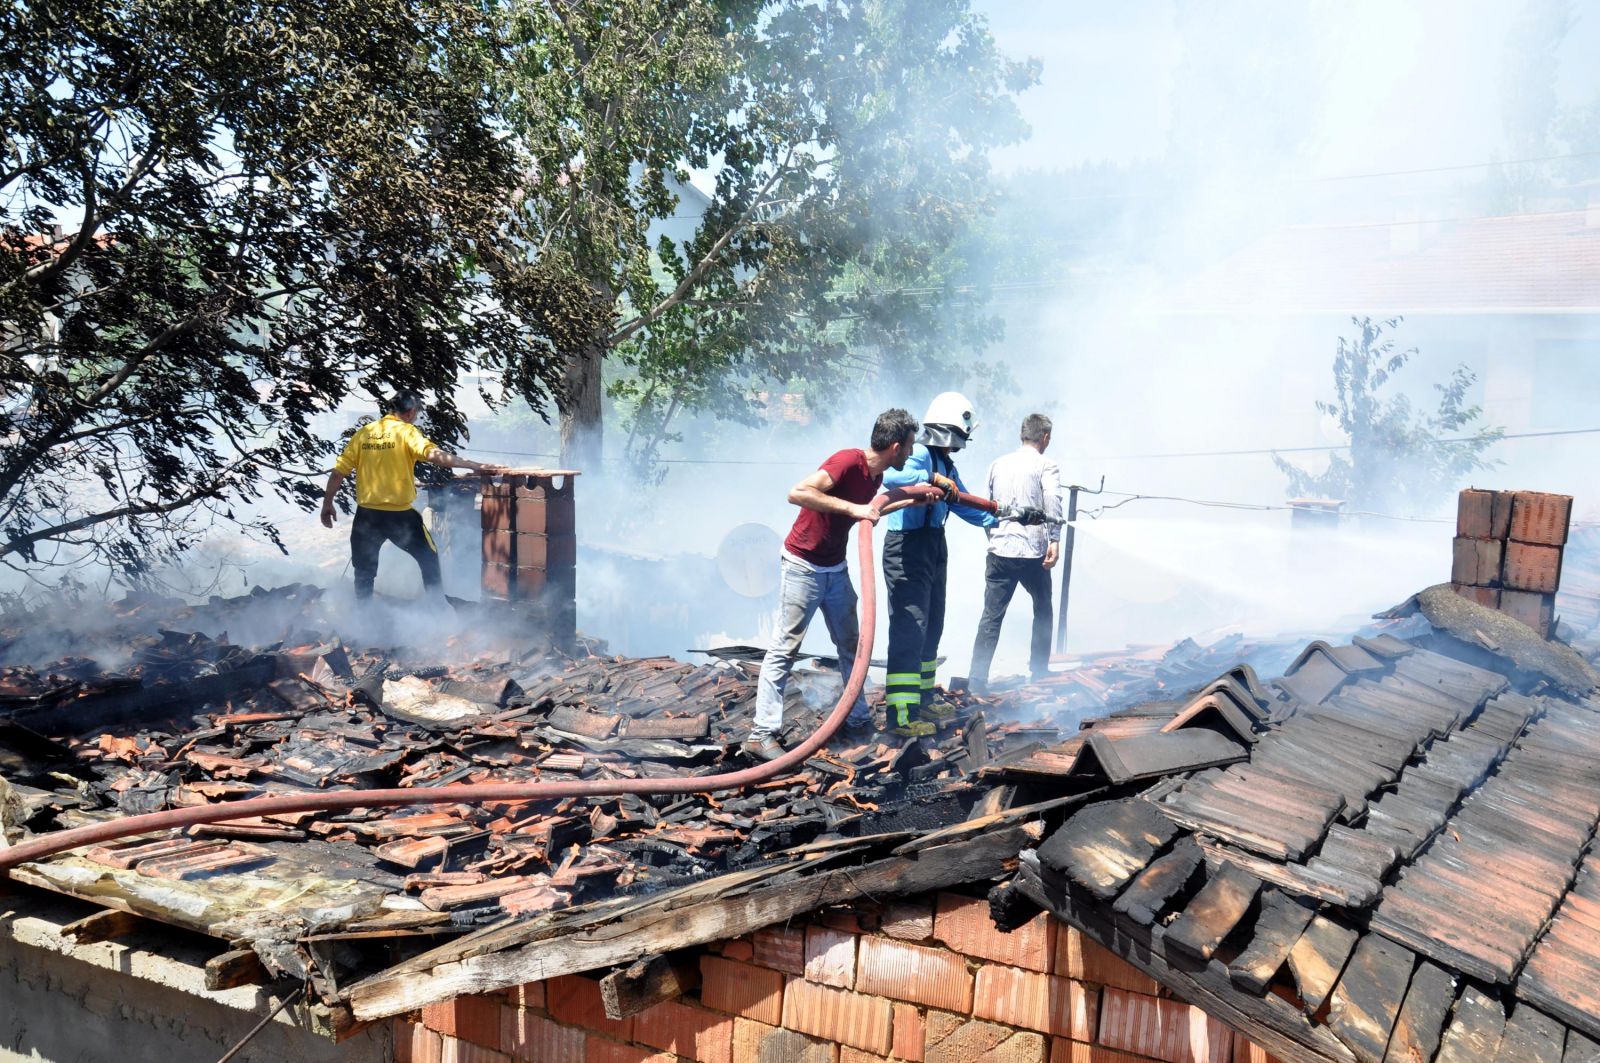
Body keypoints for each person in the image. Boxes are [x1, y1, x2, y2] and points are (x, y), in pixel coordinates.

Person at [742, 408, 925, 762]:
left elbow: (869, 510)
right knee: (785, 647)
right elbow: (798, 492)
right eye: (909, 447)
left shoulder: (875, 476)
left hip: (834, 568)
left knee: (851, 645)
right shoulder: (846, 462)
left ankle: (856, 721)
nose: (911, 453)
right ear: (896, 446)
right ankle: (761, 733)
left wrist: (917, 495)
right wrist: (853, 509)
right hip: (802, 566)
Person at [880, 392, 998, 729]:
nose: (962, 442)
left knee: (932, 624)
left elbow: (962, 502)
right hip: (907, 547)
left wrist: (999, 518)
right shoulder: (917, 454)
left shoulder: (946, 464)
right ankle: (902, 716)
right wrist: (929, 479)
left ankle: (924, 699)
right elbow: (890, 477)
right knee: (910, 626)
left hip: (933, 545)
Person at [319, 393, 506, 599]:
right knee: (429, 558)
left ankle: (364, 618)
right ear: (410, 412)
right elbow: (434, 455)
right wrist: (473, 465)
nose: (415, 418)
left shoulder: (364, 433)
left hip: (367, 516)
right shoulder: (406, 432)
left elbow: (338, 473)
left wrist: (327, 503)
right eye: (416, 414)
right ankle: (437, 606)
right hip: (400, 516)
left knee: (364, 570)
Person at [968, 413, 1063, 692]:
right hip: (1033, 553)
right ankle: (1039, 672)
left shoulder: (998, 464)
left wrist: (994, 535)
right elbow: (1053, 502)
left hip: (1000, 552)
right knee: (1043, 608)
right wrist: (1054, 540)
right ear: (1044, 438)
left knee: (991, 616)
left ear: (1022, 435)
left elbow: (985, 506)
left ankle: (976, 679)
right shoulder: (1047, 465)